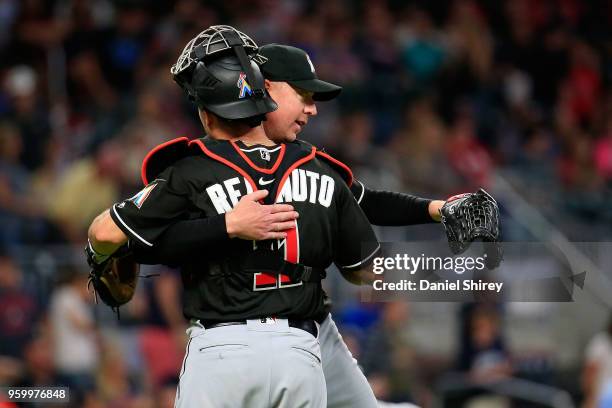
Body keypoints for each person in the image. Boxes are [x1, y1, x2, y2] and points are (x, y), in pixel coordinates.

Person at [129, 42, 447, 408]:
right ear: (262, 88)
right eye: (303, 94)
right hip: (296, 343)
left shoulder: (201, 164)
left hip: (275, 334)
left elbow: (364, 200)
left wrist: (436, 209)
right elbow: (363, 256)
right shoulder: (313, 166)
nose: (312, 109)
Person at [88, 25, 380, 408]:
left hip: (221, 350)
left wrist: (222, 227)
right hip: (300, 351)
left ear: (207, 113)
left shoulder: (192, 169)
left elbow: (105, 232)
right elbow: (363, 271)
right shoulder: (318, 167)